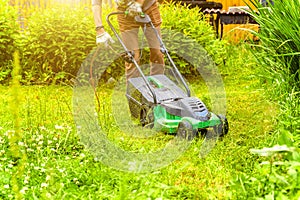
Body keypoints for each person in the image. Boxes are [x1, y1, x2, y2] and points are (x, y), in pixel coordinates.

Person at [92, 0, 164, 80]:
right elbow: (96, 2)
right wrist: (99, 29)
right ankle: (133, 89)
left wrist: (139, 3)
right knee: (132, 57)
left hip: (149, 8)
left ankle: (157, 84)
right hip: (124, 12)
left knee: (157, 52)